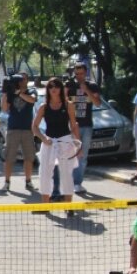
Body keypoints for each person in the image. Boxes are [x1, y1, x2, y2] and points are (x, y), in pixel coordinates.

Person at [32, 77, 80, 204]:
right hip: (49, 142)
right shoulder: (43, 107)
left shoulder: (68, 105)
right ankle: (45, 205)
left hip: (65, 141)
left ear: (61, 89)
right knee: (44, 173)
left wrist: (78, 145)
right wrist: (43, 138)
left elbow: (74, 125)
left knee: (66, 174)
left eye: (56, 86)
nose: (54, 89)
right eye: (51, 86)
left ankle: (68, 206)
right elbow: (34, 126)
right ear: (48, 89)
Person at [66, 63, 102, 195]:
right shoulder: (70, 85)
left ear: (85, 73)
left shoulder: (92, 85)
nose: (79, 76)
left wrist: (86, 90)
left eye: (81, 73)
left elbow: (97, 103)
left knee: (83, 156)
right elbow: (62, 102)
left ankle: (77, 183)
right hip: (72, 125)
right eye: (76, 74)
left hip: (86, 125)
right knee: (71, 154)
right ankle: (69, 181)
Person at [1, 75, 37, 190]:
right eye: (19, 80)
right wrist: (5, 93)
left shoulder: (31, 91)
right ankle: (7, 182)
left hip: (27, 129)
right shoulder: (11, 93)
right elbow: (4, 109)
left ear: (27, 80)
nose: (21, 82)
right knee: (9, 156)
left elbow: (32, 100)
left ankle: (28, 181)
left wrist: (19, 93)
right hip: (13, 128)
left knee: (29, 157)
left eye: (23, 79)